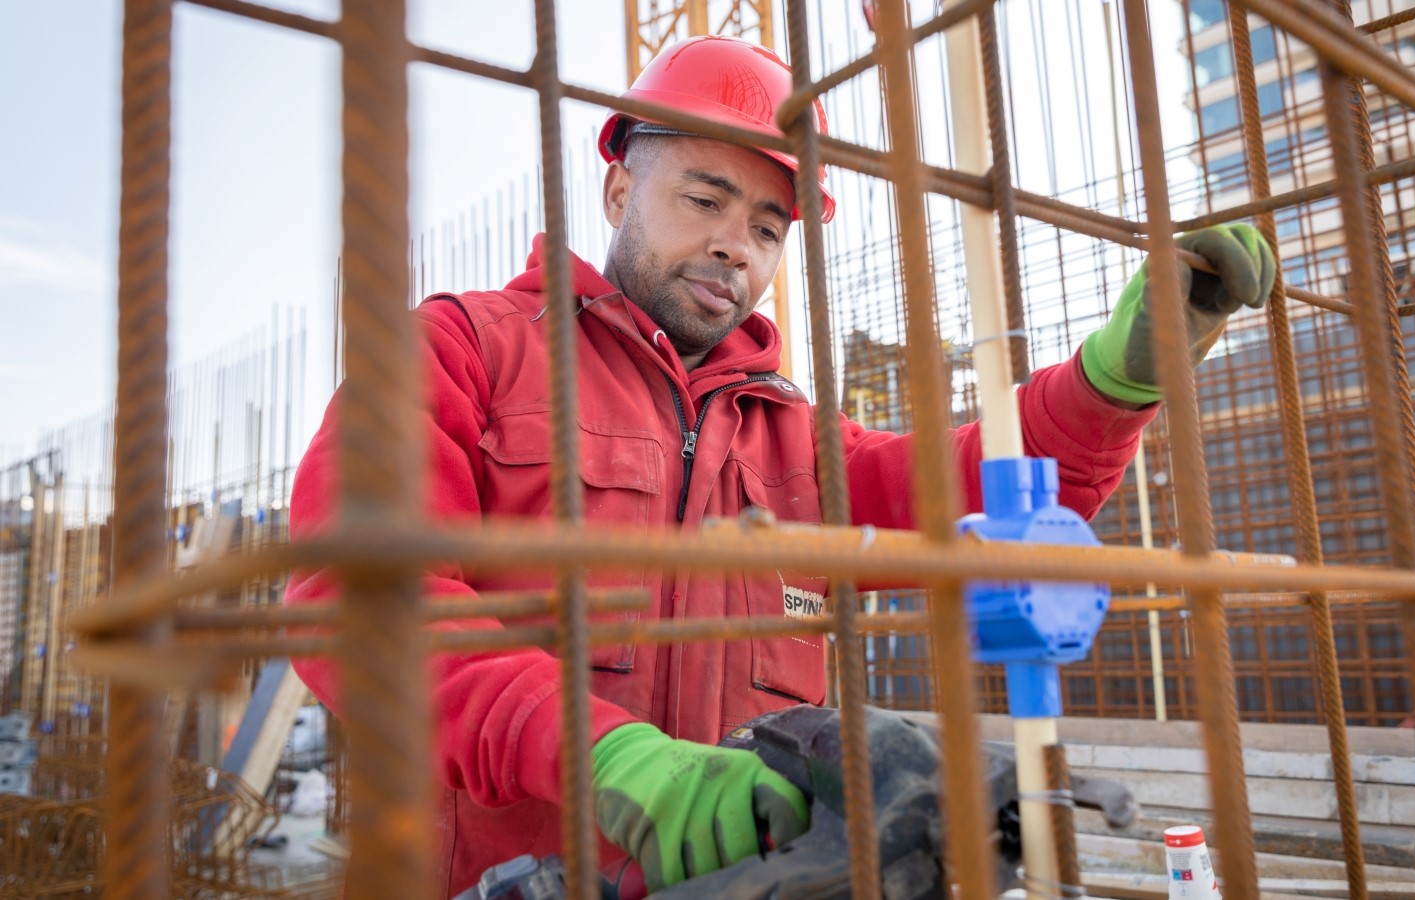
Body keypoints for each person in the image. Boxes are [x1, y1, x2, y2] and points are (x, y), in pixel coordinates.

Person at [285, 35, 1276, 898]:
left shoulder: (786, 433)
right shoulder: (464, 351)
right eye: (705, 198)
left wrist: (1116, 379)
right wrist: (604, 755)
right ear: (619, 187)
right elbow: (356, 601)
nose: (735, 247)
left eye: (766, 227)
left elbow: (978, 485)